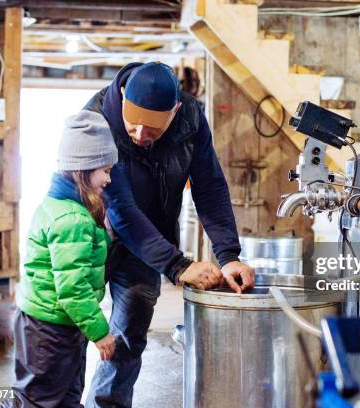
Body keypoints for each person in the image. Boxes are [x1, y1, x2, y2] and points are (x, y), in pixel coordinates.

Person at [83, 61, 255, 407]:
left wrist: (229, 255)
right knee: (71, 327)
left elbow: (209, 186)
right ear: (121, 96)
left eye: (153, 131)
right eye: (134, 126)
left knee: (129, 332)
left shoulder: (190, 119)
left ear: (174, 111)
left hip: (148, 243)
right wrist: (178, 265)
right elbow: (120, 209)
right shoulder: (97, 118)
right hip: (88, 237)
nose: (141, 137)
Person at [4, 111, 118, 407]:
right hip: (49, 330)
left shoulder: (59, 205)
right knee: (36, 401)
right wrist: (100, 332)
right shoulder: (72, 219)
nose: (108, 178)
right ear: (83, 170)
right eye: (104, 170)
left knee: (65, 396)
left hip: (56, 325)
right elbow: (72, 288)